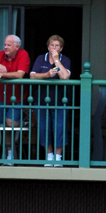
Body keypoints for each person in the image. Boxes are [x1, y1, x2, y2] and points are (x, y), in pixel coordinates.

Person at [0, 35, 30, 164]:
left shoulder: (23, 54)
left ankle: (12, 153)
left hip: (19, 97)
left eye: (8, 45)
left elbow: (20, 74)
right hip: (1, 97)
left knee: (10, 124)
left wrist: (2, 74)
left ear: (17, 46)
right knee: (3, 126)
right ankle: (9, 154)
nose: (5, 47)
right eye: (5, 44)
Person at [30, 35, 71, 166]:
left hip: (60, 101)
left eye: (57, 46)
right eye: (52, 45)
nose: (54, 48)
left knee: (60, 128)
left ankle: (58, 158)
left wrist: (57, 61)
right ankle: (49, 156)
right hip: (41, 100)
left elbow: (65, 78)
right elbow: (32, 76)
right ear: (48, 47)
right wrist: (47, 75)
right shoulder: (41, 59)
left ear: (61, 48)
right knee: (43, 128)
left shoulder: (65, 59)